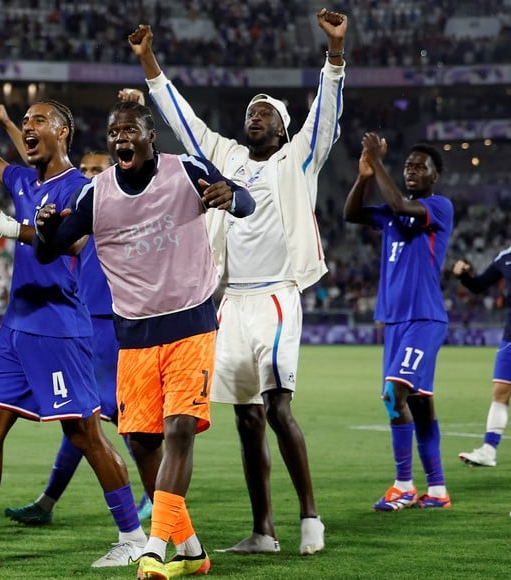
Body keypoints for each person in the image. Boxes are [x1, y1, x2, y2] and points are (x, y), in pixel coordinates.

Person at [126, 8, 346, 555]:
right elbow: (184, 122)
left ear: (283, 127)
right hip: (230, 303)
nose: (255, 117)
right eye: (251, 111)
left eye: (266, 112)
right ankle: (263, 531)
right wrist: (150, 62)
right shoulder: (225, 157)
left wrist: (335, 56)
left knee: (277, 407)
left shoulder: (299, 159)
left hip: (276, 296)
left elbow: (325, 115)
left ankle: (310, 517)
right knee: (247, 419)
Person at [0, 91, 146, 571]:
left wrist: (5, 226)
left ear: (63, 132)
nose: (29, 125)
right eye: (25, 120)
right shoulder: (23, 180)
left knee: (85, 434)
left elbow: (67, 242)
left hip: (59, 328)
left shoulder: (80, 188)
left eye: (39, 119)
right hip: (15, 329)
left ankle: (133, 536)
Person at [34, 99, 255, 579]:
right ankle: (192, 551)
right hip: (133, 338)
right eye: (114, 132)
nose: (120, 139)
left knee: (179, 431)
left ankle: (155, 548)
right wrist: (45, 228)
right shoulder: (97, 194)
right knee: (140, 440)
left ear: (150, 137)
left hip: (191, 326)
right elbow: (52, 250)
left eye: (129, 130)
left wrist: (230, 197)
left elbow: (244, 201)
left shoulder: (185, 170)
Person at [0, 104, 154, 524]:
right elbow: (32, 174)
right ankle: (49, 501)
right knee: (83, 419)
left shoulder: (110, 208)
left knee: (122, 422)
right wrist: (11, 125)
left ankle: (161, 505)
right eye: (87, 169)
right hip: (85, 320)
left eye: (100, 170)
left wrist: (8, 228)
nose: (91, 176)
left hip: (115, 324)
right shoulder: (72, 210)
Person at [343, 133, 454, 510]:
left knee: (394, 395)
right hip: (395, 322)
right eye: (408, 165)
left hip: (424, 317)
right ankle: (436, 490)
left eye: (419, 167)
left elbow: (400, 203)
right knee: (419, 404)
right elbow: (351, 214)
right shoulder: (392, 213)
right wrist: (363, 176)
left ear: (434, 176)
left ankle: (403, 485)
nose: (411, 170)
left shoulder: (438, 207)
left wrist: (377, 161)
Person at [453, 248, 511, 467]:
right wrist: (463, 276)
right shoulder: (505, 257)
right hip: (510, 336)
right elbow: (479, 285)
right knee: (500, 392)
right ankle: (488, 450)